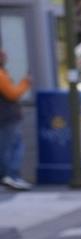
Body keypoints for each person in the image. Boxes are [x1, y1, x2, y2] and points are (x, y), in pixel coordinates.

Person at [0, 47, 32, 191]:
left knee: (8, 147)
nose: (5, 57)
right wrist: (26, 82)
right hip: (8, 117)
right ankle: (10, 177)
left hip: (7, 116)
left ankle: (7, 177)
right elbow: (12, 94)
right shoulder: (0, 74)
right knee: (12, 147)